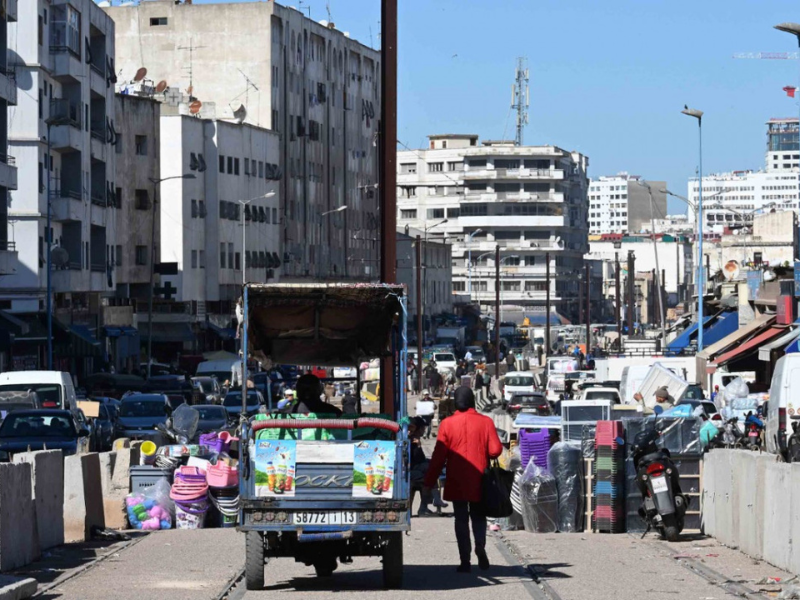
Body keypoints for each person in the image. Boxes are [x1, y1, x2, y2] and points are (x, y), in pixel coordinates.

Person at [424, 386, 503, 573]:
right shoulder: (486, 422)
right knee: (478, 515)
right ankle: (480, 545)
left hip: (456, 480)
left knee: (460, 519)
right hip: (479, 479)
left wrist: (428, 483)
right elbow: (495, 450)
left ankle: (465, 560)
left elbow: (438, 457)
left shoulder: (447, 424)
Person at [408, 417, 448, 516]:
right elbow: (416, 460)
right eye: (423, 428)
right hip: (411, 470)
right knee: (430, 476)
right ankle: (428, 505)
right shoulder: (411, 440)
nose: (424, 431)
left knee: (431, 471)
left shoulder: (415, 439)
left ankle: (429, 504)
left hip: (415, 469)